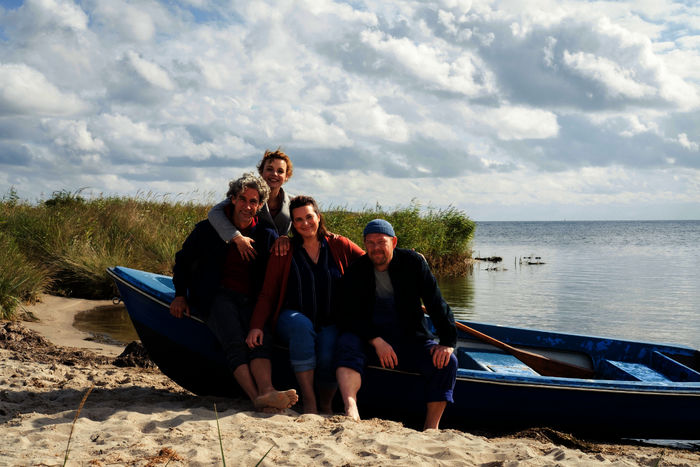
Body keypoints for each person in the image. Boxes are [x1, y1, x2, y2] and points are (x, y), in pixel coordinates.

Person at [169, 173, 298, 412]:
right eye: (243, 199)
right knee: (235, 340)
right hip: (215, 296)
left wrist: (285, 241)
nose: (247, 206)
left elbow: (274, 278)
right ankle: (256, 398)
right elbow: (183, 261)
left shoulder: (265, 235)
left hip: (250, 299)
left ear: (260, 206)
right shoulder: (207, 230)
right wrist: (180, 295)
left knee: (261, 338)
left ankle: (268, 391)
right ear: (232, 199)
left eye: (253, 201)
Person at [334, 219, 458, 430]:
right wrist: (375, 340)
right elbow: (349, 315)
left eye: (381, 242)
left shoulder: (413, 263)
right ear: (364, 244)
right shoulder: (357, 270)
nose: (376, 248)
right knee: (346, 343)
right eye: (370, 243)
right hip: (371, 339)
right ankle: (351, 409)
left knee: (448, 362)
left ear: (393, 241)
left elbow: (435, 302)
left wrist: (447, 340)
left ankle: (431, 427)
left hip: (409, 337)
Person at [246, 196, 364, 414]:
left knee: (328, 350)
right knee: (301, 327)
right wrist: (256, 326)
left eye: (309, 217)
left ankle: (326, 404)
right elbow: (268, 294)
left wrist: (406, 260)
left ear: (318, 217)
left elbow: (371, 263)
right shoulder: (284, 249)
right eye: (298, 219)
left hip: (330, 319)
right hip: (291, 317)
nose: (305, 223)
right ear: (293, 223)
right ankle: (309, 401)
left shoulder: (339, 244)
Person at [209, 148, 293, 260]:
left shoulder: (293, 202)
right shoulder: (248, 194)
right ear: (261, 172)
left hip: (280, 256)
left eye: (280, 171)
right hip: (251, 254)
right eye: (269, 169)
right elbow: (214, 212)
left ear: (287, 176)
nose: (274, 174)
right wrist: (236, 236)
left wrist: (287, 239)